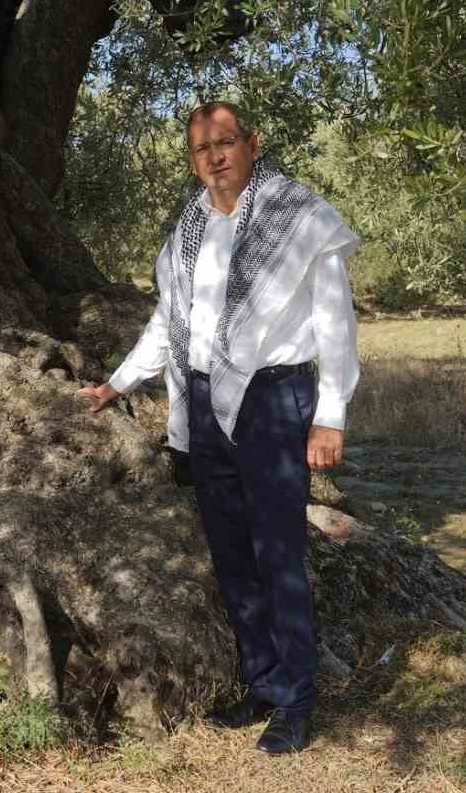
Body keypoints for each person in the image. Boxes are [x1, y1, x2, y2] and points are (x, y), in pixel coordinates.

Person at [77, 101, 360, 755]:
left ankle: (297, 698)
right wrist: (118, 382)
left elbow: (338, 326)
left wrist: (330, 417)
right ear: (192, 159)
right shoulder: (191, 226)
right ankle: (261, 682)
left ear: (252, 144)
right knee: (232, 553)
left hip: (274, 400)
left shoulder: (300, 220)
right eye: (202, 148)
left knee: (278, 552)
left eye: (226, 142)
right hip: (204, 405)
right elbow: (169, 325)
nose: (215, 157)